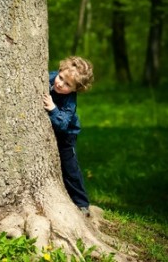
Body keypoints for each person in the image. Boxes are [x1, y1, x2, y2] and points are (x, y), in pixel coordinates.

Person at [42, 56, 94, 217]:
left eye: (67, 85)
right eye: (61, 77)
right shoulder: (50, 78)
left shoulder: (70, 101)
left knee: (69, 167)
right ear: (59, 72)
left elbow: (63, 124)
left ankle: (82, 203)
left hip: (66, 136)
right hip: (49, 133)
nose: (60, 84)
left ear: (75, 89)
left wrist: (52, 108)